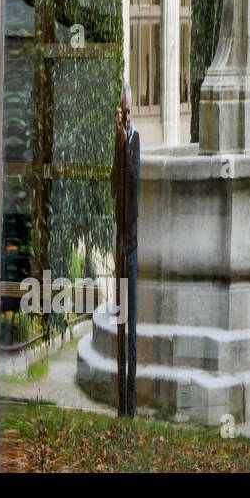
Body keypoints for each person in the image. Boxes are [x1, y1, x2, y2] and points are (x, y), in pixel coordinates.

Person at [112, 81, 140, 417]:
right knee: (121, 325)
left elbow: (134, 180)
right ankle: (121, 405)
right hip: (120, 245)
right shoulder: (120, 143)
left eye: (130, 111)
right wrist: (117, 147)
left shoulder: (135, 141)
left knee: (132, 331)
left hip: (132, 246)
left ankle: (131, 408)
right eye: (125, 112)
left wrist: (126, 144)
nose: (128, 116)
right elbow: (113, 186)